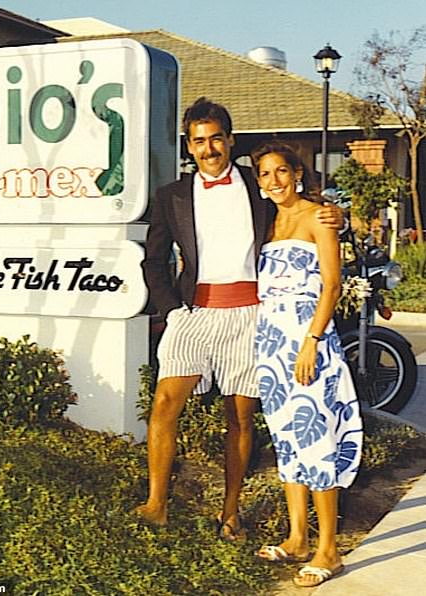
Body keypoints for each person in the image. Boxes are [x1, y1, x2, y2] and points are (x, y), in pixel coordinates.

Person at [136, 97, 343, 538]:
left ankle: (231, 512)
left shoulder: (257, 183)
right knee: (165, 404)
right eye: (198, 142)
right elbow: (154, 261)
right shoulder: (171, 195)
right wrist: (172, 311)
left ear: (230, 141)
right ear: (188, 147)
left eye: (216, 139)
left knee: (240, 417)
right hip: (193, 314)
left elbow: (300, 203)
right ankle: (156, 504)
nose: (208, 149)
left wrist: (335, 215)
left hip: (251, 316)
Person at [251, 141, 362, 587]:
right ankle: (297, 538)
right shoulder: (271, 221)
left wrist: (312, 340)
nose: (274, 180)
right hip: (271, 346)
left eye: (281, 171)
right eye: (265, 174)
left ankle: (328, 550)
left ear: (297, 172)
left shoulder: (320, 216)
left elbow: (331, 286)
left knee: (317, 441)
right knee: (288, 442)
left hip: (308, 343)